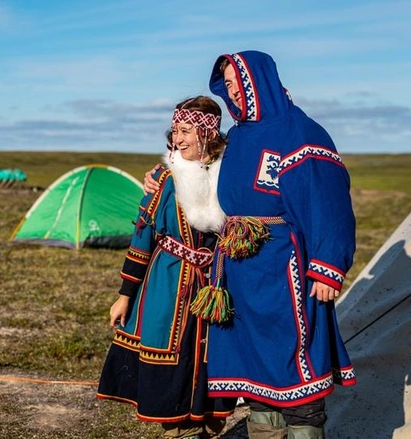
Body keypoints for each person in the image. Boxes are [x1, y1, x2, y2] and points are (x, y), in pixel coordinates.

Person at [144, 51, 356, 439]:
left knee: (294, 356)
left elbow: (327, 201)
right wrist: (166, 170)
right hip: (239, 270)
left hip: (284, 267)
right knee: (253, 366)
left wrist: (328, 265)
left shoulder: (301, 133)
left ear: (260, 81)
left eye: (237, 83)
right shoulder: (239, 137)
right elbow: (202, 166)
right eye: (226, 86)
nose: (233, 93)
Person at [96, 96, 236, 439]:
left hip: (215, 285)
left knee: (209, 362)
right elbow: (142, 236)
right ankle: (180, 431)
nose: (178, 139)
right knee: (169, 358)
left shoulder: (230, 174)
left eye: (186, 130)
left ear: (207, 133)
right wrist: (125, 295)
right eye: (175, 130)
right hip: (167, 283)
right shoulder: (163, 177)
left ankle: (205, 425)